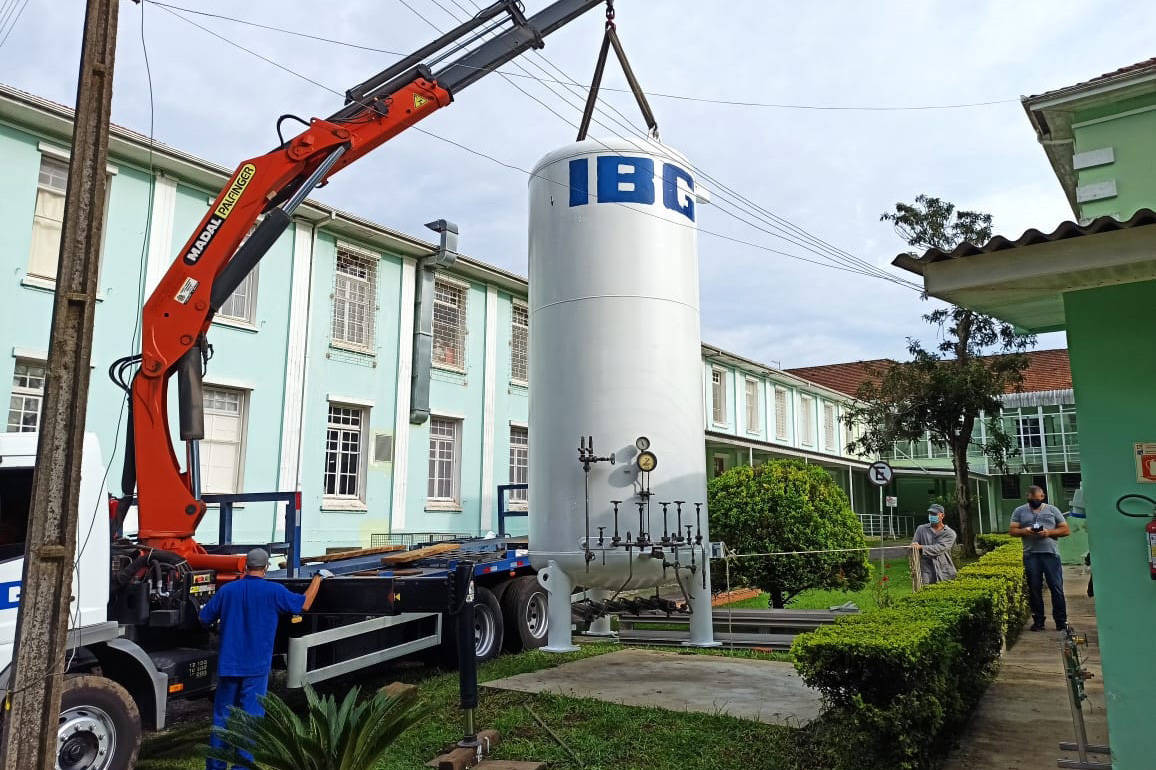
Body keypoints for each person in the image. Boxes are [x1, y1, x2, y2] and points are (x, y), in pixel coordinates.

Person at [200, 548, 324, 770]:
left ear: (245, 566)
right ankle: (242, 768)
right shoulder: (273, 591)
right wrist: (318, 577)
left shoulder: (228, 591)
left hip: (229, 665)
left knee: (222, 718)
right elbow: (304, 604)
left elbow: (204, 617)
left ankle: (215, 766)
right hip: (256, 667)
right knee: (250, 719)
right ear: (266, 568)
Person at [1010, 485, 1070, 631]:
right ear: (1028, 497)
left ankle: (1061, 622)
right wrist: (1025, 531)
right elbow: (1012, 530)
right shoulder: (1019, 511)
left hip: (1050, 554)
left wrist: (1049, 533)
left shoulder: (1052, 510)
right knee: (1034, 588)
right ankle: (1038, 622)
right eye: (1031, 499)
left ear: (1042, 497)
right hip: (1031, 555)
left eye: (1037, 499)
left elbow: (1065, 529)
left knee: (1056, 588)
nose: (1034, 501)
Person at [911, 503, 958, 584]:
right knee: (926, 592)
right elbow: (914, 545)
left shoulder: (950, 533)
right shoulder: (921, 529)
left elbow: (940, 548)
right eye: (930, 513)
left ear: (942, 516)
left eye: (934, 514)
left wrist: (921, 548)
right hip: (926, 570)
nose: (931, 516)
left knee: (946, 592)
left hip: (945, 569)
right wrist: (914, 546)